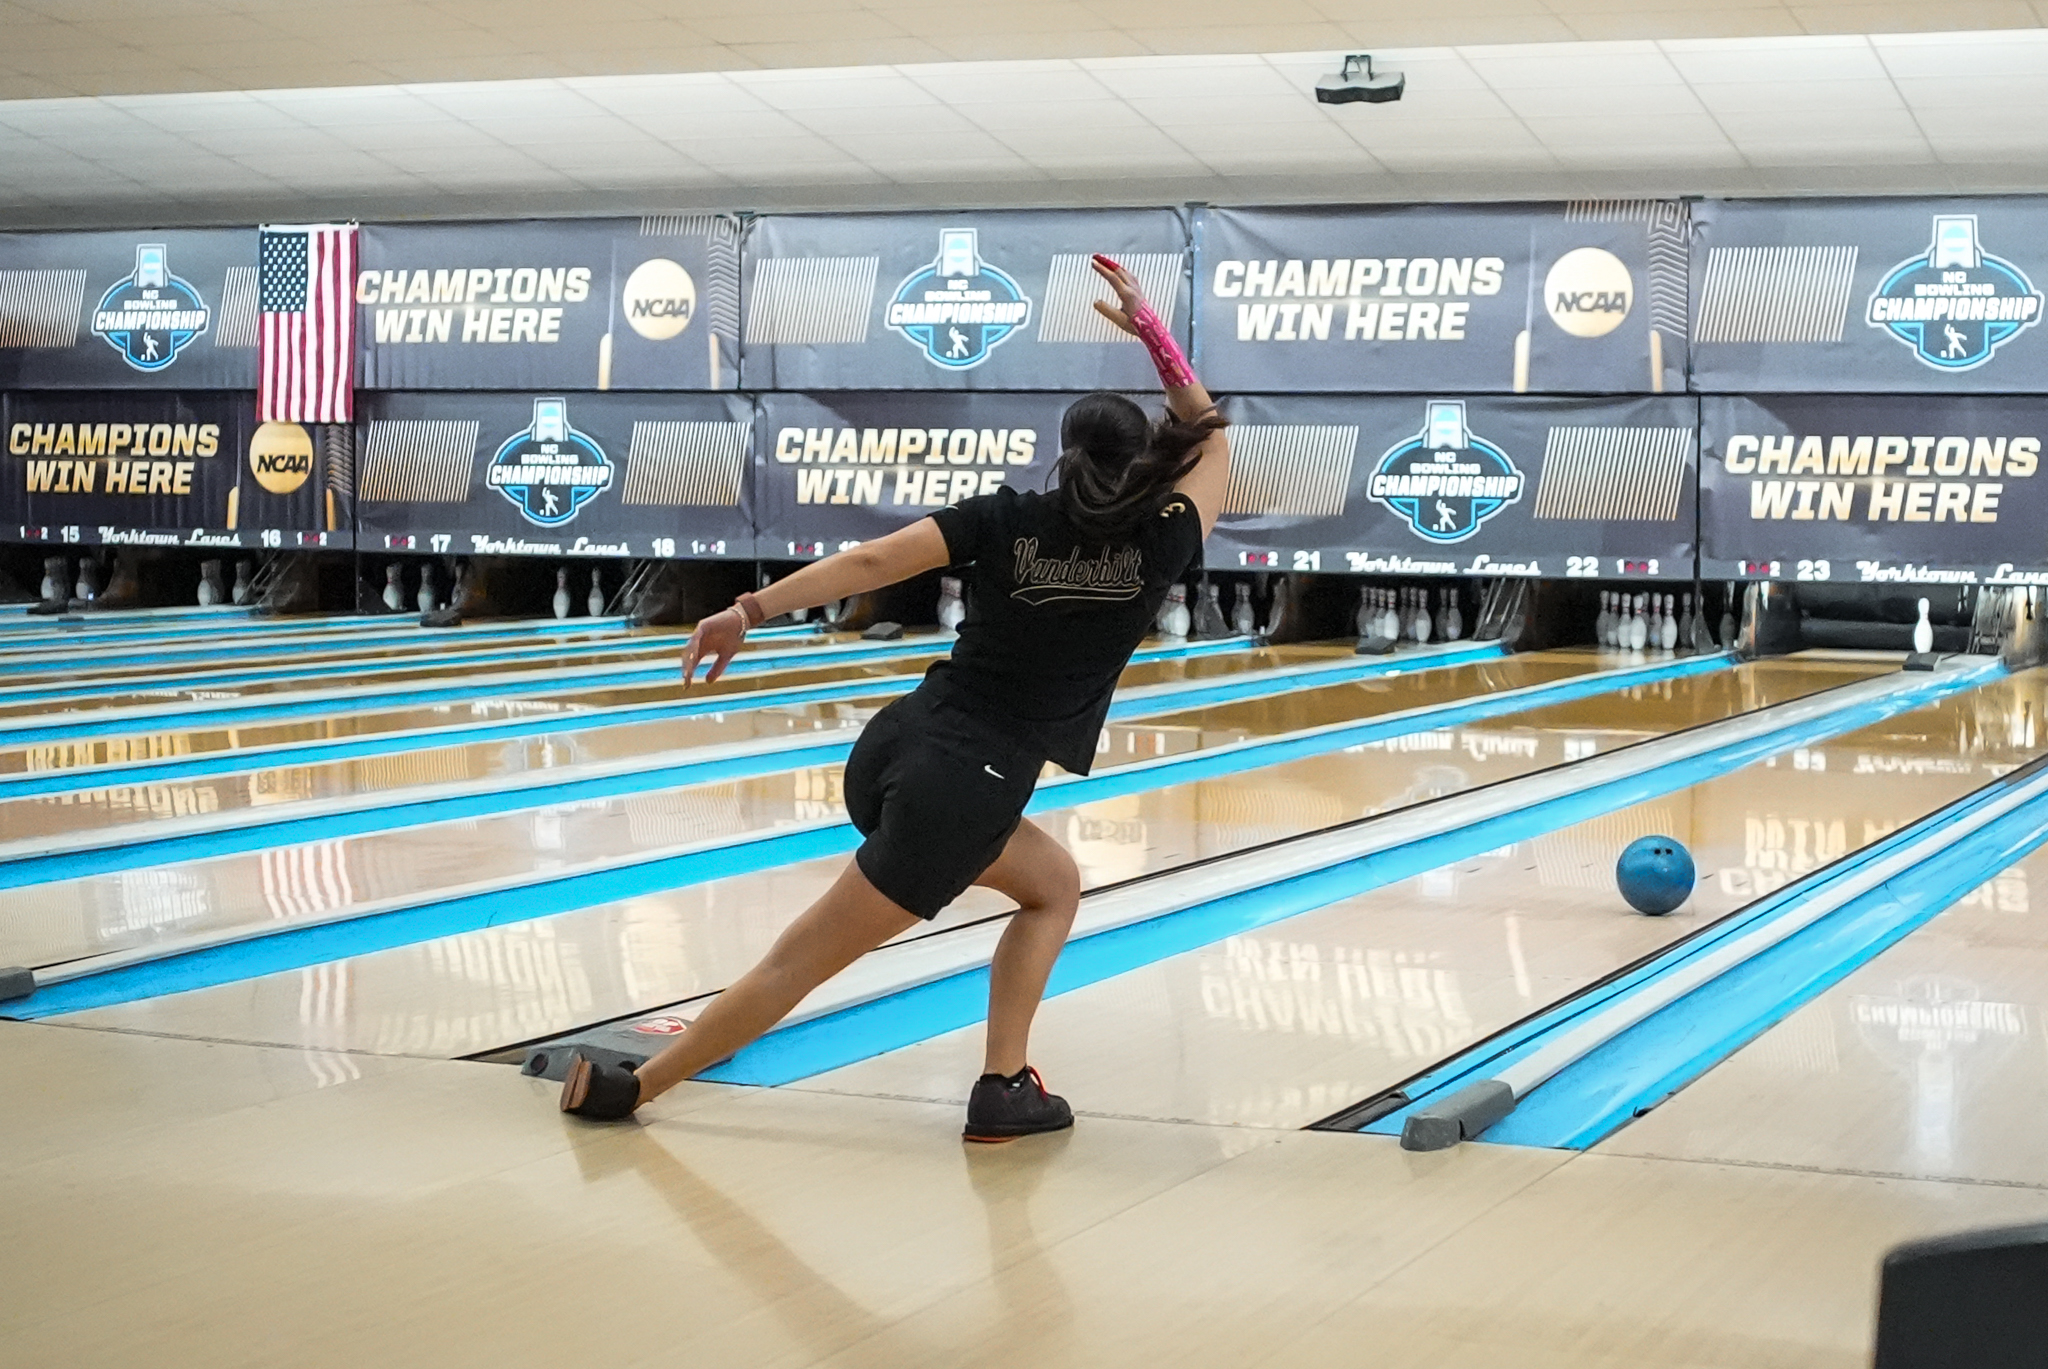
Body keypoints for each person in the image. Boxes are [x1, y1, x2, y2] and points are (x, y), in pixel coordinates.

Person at [560, 255, 1230, 1141]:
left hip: (897, 747)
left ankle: (1006, 1081)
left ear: (1063, 452)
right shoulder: (1164, 541)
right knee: (796, 964)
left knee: (1053, 885)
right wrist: (1152, 330)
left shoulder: (1005, 516)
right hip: (962, 791)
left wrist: (747, 609)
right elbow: (1214, 438)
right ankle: (634, 1089)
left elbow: (873, 561)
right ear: (1144, 460)